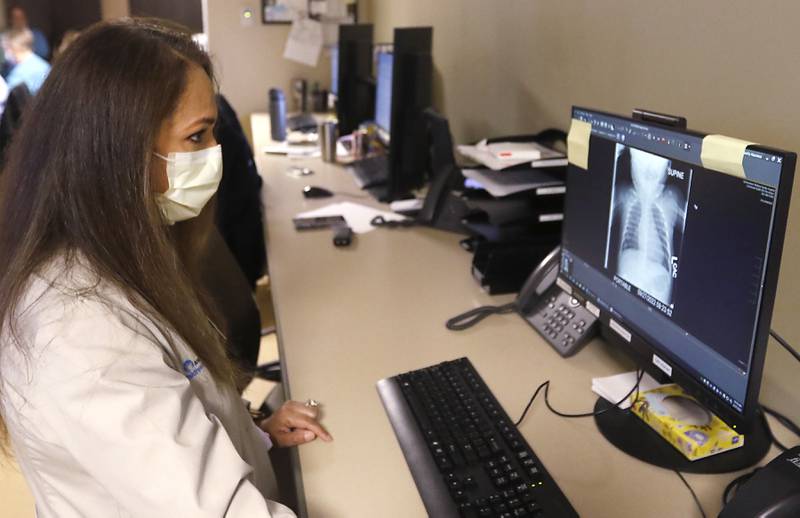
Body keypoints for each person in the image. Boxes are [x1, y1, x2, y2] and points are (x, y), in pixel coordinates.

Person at [0, 18, 331, 517]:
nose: (215, 155)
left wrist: (256, 434)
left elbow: (181, 409)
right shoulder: (76, 329)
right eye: (196, 138)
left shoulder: (124, 248)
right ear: (118, 153)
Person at [3, 28, 50, 94]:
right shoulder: (44, 66)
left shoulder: (21, 73)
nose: (6, 54)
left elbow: (10, 97)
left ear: (16, 47)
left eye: (7, 49)